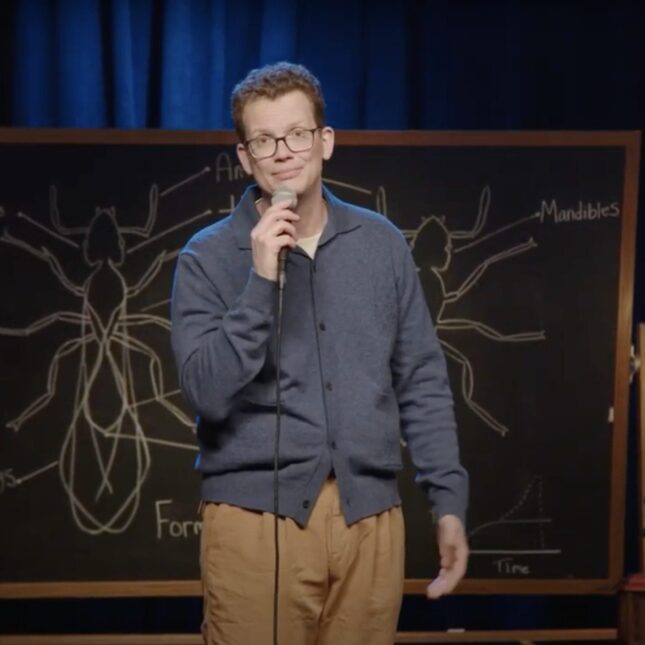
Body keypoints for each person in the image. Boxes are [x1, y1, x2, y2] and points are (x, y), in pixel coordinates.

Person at [170, 61, 469, 645]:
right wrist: (260, 281)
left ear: (324, 141)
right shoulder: (206, 257)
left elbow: (422, 381)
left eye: (297, 134)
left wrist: (448, 501)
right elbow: (204, 392)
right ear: (245, 158)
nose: (282, 151)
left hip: (371, 520)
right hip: (255, 525)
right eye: (263, 139)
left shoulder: (380, 243)